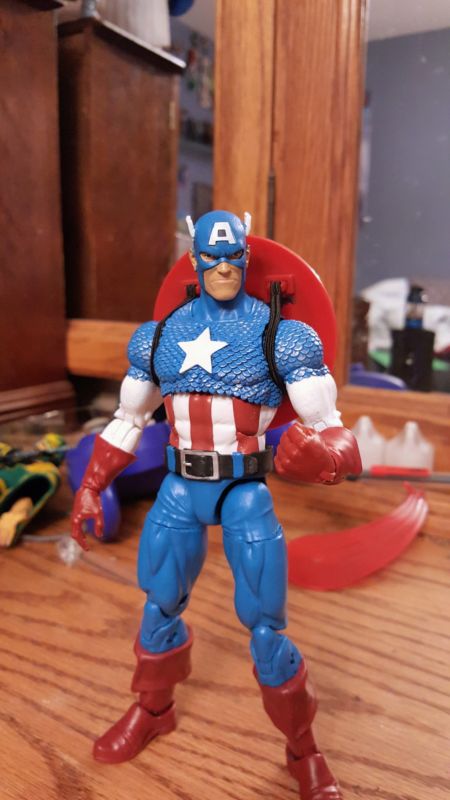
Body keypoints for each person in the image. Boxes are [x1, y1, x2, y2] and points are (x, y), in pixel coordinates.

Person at [71, 210, 361, 800]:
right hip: (179, 488)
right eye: (212, 258)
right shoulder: (159, 336)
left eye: (233, 259)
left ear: (246, 259)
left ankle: (303, 750)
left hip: (243, 490)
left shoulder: (282, 337)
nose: (224, 269)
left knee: (266, 627)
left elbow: (334, 430)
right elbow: (128, 419)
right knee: (158, 605)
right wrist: (92, 484)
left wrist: (324, 458)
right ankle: (153, 711)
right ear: (194, 259)